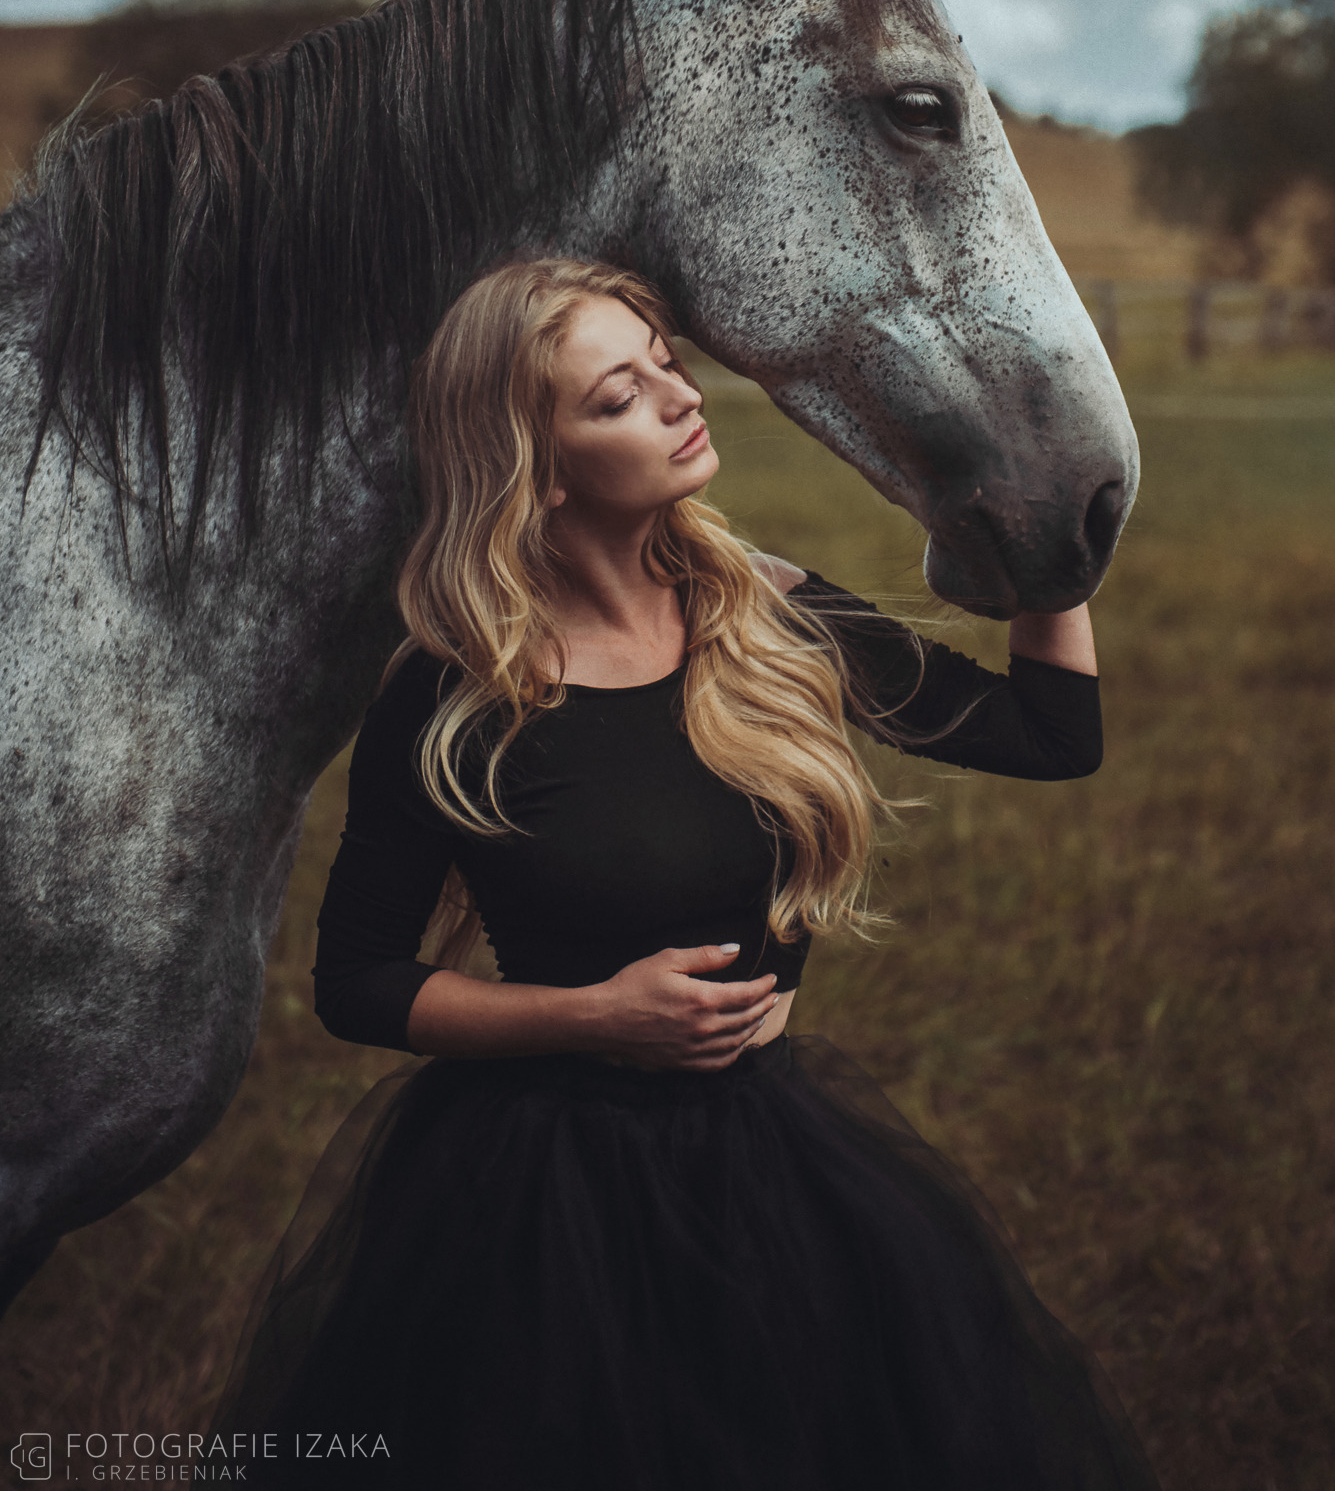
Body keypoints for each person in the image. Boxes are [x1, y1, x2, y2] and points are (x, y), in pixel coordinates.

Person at [210, 257, 1158, 1489]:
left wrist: (1050, 538)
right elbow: (356, 979)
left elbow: (1047, 734)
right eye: (621, 394)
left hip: (769, 1159)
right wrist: (593, 1016)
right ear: (537, 466)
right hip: (538, 1194)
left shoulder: (767, 610)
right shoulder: (453, 694)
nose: (681, 395)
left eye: (666, 362)